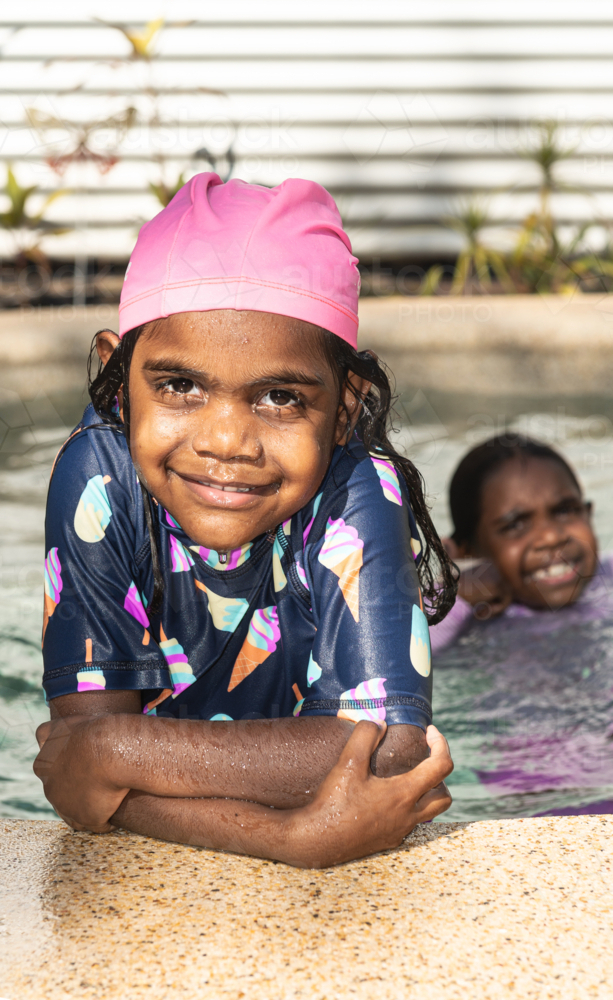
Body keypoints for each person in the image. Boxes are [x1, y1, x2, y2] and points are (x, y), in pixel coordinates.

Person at [34, 173, 455, 869]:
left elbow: (392, 750)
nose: (225, 441)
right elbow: (75, 762)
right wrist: (286, 838)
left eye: (280, 396)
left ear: (345, 406)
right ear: (118, 375)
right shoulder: (99, 476)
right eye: (179, 385)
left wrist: (115, 752)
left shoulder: (357, 488)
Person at [430, 434, 603, 653]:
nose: (551, 537)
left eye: (565, 510)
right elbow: (401, 653)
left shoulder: (606, 578)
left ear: (588, 514)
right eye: (515, 526)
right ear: (465, 552)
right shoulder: (469, 616)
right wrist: (456, 596)